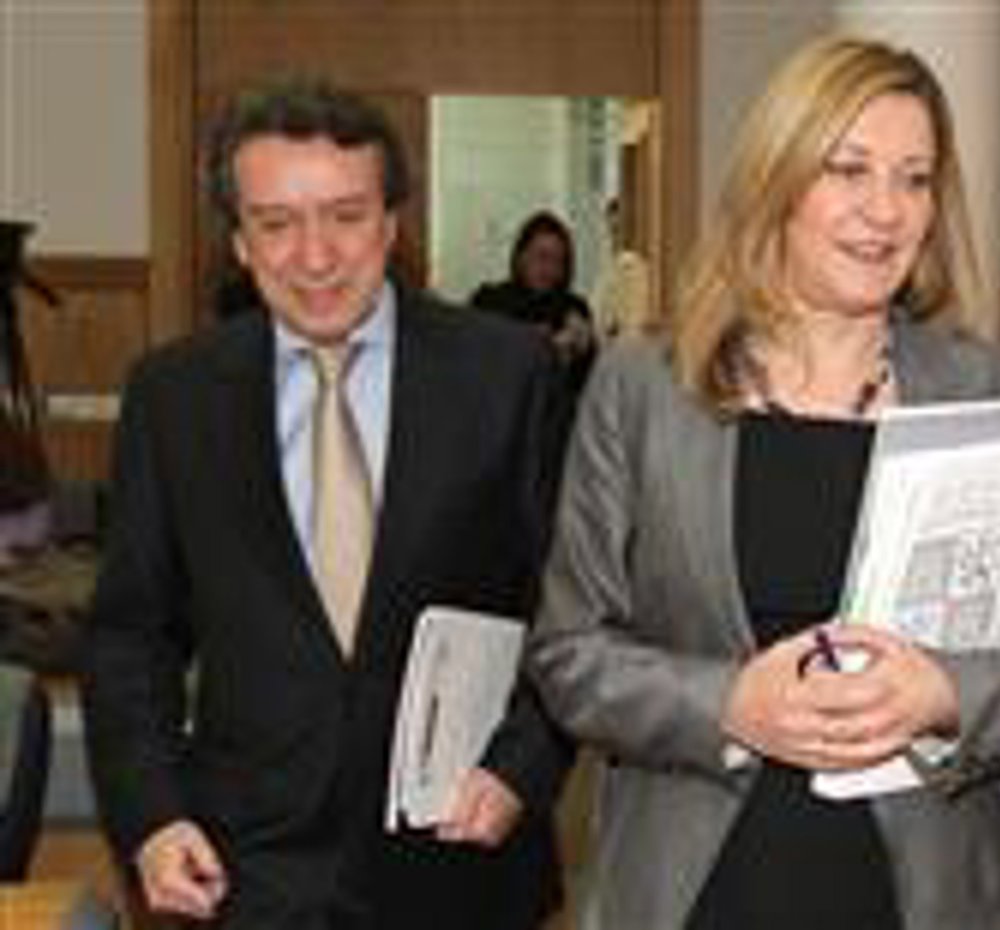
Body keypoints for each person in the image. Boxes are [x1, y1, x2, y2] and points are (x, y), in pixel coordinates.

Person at [526, 34, 1000, 930]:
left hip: (929, 889)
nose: (886, 210)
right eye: (849, 169)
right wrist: (729, 704)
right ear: (776, 178)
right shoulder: (643, 387)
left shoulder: (994, 388)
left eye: (915, 180)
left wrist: (945, 694)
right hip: (700, 887)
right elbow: (570, 653)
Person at [82, 79, 572, 930]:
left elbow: (572, 611)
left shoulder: (506, 376)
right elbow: (130, 635)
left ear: (391, 223)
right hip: (244, 867)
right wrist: (152, 816)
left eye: (346, 216)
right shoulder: (174, 398)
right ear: (240, 242)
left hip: (462, 849)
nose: (316, 257)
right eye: (277, 224)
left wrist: (521, 769)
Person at [471, 211, 596, 393]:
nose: (549, 269)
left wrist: (585, 349)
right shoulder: (489, 300)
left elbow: (586, 382)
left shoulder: (573, 308)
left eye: (558, 261)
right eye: (542, 257)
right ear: (521, 257)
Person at [589, 196, 653, 342]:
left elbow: (633, 323)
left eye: (618, 229)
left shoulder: (632, 266)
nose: (614, 236)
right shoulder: (609, 266)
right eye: (612, 229)